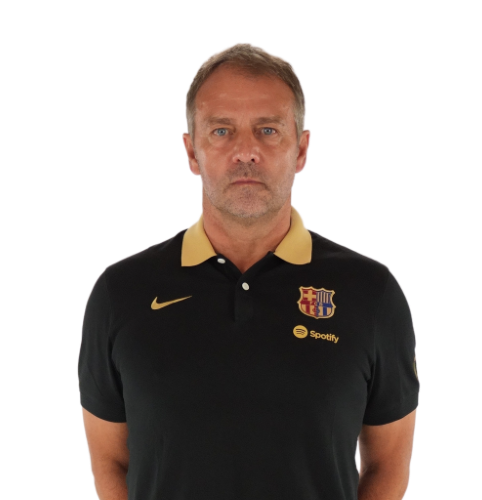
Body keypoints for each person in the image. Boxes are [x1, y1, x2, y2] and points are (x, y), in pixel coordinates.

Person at [78, 42, 420, 500]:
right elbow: (110, 461)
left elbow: (388, 464)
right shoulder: (121, 292)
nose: (246, 152)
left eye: (267, 130)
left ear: (302, 149)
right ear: (191, 152)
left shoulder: (372, 292)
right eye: (221, 131)